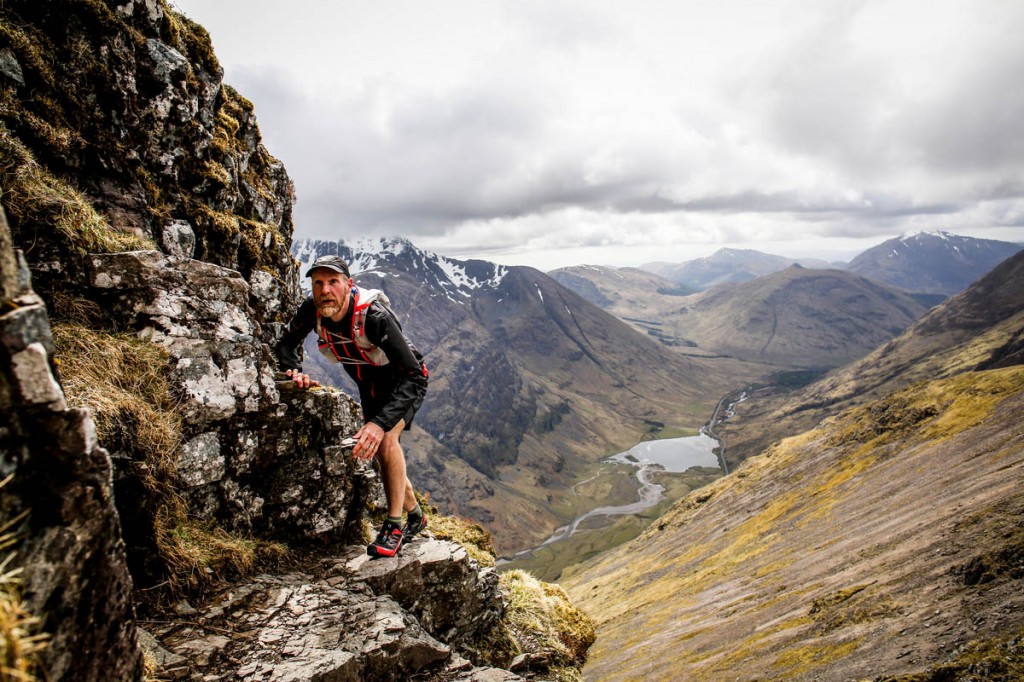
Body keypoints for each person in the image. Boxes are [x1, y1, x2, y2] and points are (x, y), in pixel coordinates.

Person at [276, 254, 429, 558]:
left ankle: (394, 525)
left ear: (349, 284)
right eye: (318, 283)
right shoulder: (314, 310)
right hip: (369, 386)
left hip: (405, 382)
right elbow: (286, 343)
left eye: (333, 282)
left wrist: (379, 423)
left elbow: (412, 373)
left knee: (385, 439)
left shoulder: (374, 317)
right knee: (380, 453)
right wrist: (293, 369)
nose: (325, 290)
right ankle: (416, 516)